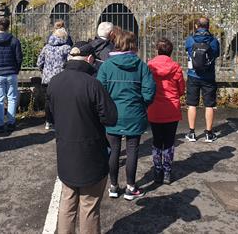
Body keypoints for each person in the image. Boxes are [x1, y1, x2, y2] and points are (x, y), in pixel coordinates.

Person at [48, 42, 118, 234]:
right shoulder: (93, 84)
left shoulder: (55, 82)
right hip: (91, 152)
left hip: (65, 150)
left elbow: (51, 115)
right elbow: (111, 117)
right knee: (89, 206)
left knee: (67, 201)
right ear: (89, 59)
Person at [97, 31, 156, 201]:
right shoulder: (141, 66)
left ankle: (114, 186)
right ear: (132, 45)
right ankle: (131, 187)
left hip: (112, 114)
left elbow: (99, 91)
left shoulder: (107, 66)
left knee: (114, 150)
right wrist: (142, 104)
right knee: (132, 150)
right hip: (134, 113)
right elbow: (149, 91)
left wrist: (106, 107)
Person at [147, 38, 185, 185]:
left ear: (157, 50)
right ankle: (167, 172)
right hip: (171, 109)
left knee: (157, 141)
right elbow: (181, 89)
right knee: (169, 142)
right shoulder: (175, 67)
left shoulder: (149, 66)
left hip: (155, 109)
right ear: (171, 51)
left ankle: (157, 171)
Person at [184, 16, 220, 143]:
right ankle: (209, 134)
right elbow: (216, 54)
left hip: (193, 75)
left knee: (192, 104)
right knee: (209, 105)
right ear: (208, 26)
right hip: (209, 77)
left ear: (196, 26)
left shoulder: (190, 40)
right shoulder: (214, 41)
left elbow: (188, 52)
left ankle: (192, 133)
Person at [37, 27, 72, 130]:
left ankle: (48, 121)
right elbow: (70, 62)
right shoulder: (66, 48)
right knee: (62, 100)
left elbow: (39, 62)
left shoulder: (46, 47)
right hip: (62, 79)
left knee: (48, 100)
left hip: (47, 79)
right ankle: (60, 121)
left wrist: (43, 71)